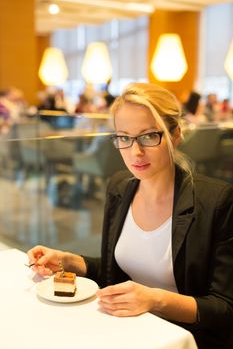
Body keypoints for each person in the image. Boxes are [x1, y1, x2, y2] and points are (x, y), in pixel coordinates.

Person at [27, 83, 233, 349]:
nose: (135, 152)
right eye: (124, 137)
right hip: (126, 330)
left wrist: (154, 299)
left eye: (148, 136)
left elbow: (225, 306)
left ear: (176, 135)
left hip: (182, 339)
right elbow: (119, 272)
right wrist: (69, 261)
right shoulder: (120, 187)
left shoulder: (216, 201)